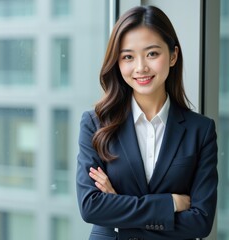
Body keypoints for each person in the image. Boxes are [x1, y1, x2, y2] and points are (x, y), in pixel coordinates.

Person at [76, 5, 218, 240]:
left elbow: (200, 222)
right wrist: (169, 204)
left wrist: (118, 207)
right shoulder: (95, 124)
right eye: (128, 57)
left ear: (173, 55)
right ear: (117, 62)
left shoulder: (200, 131)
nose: (140, 67)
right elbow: (91, 207)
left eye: (152, 54)